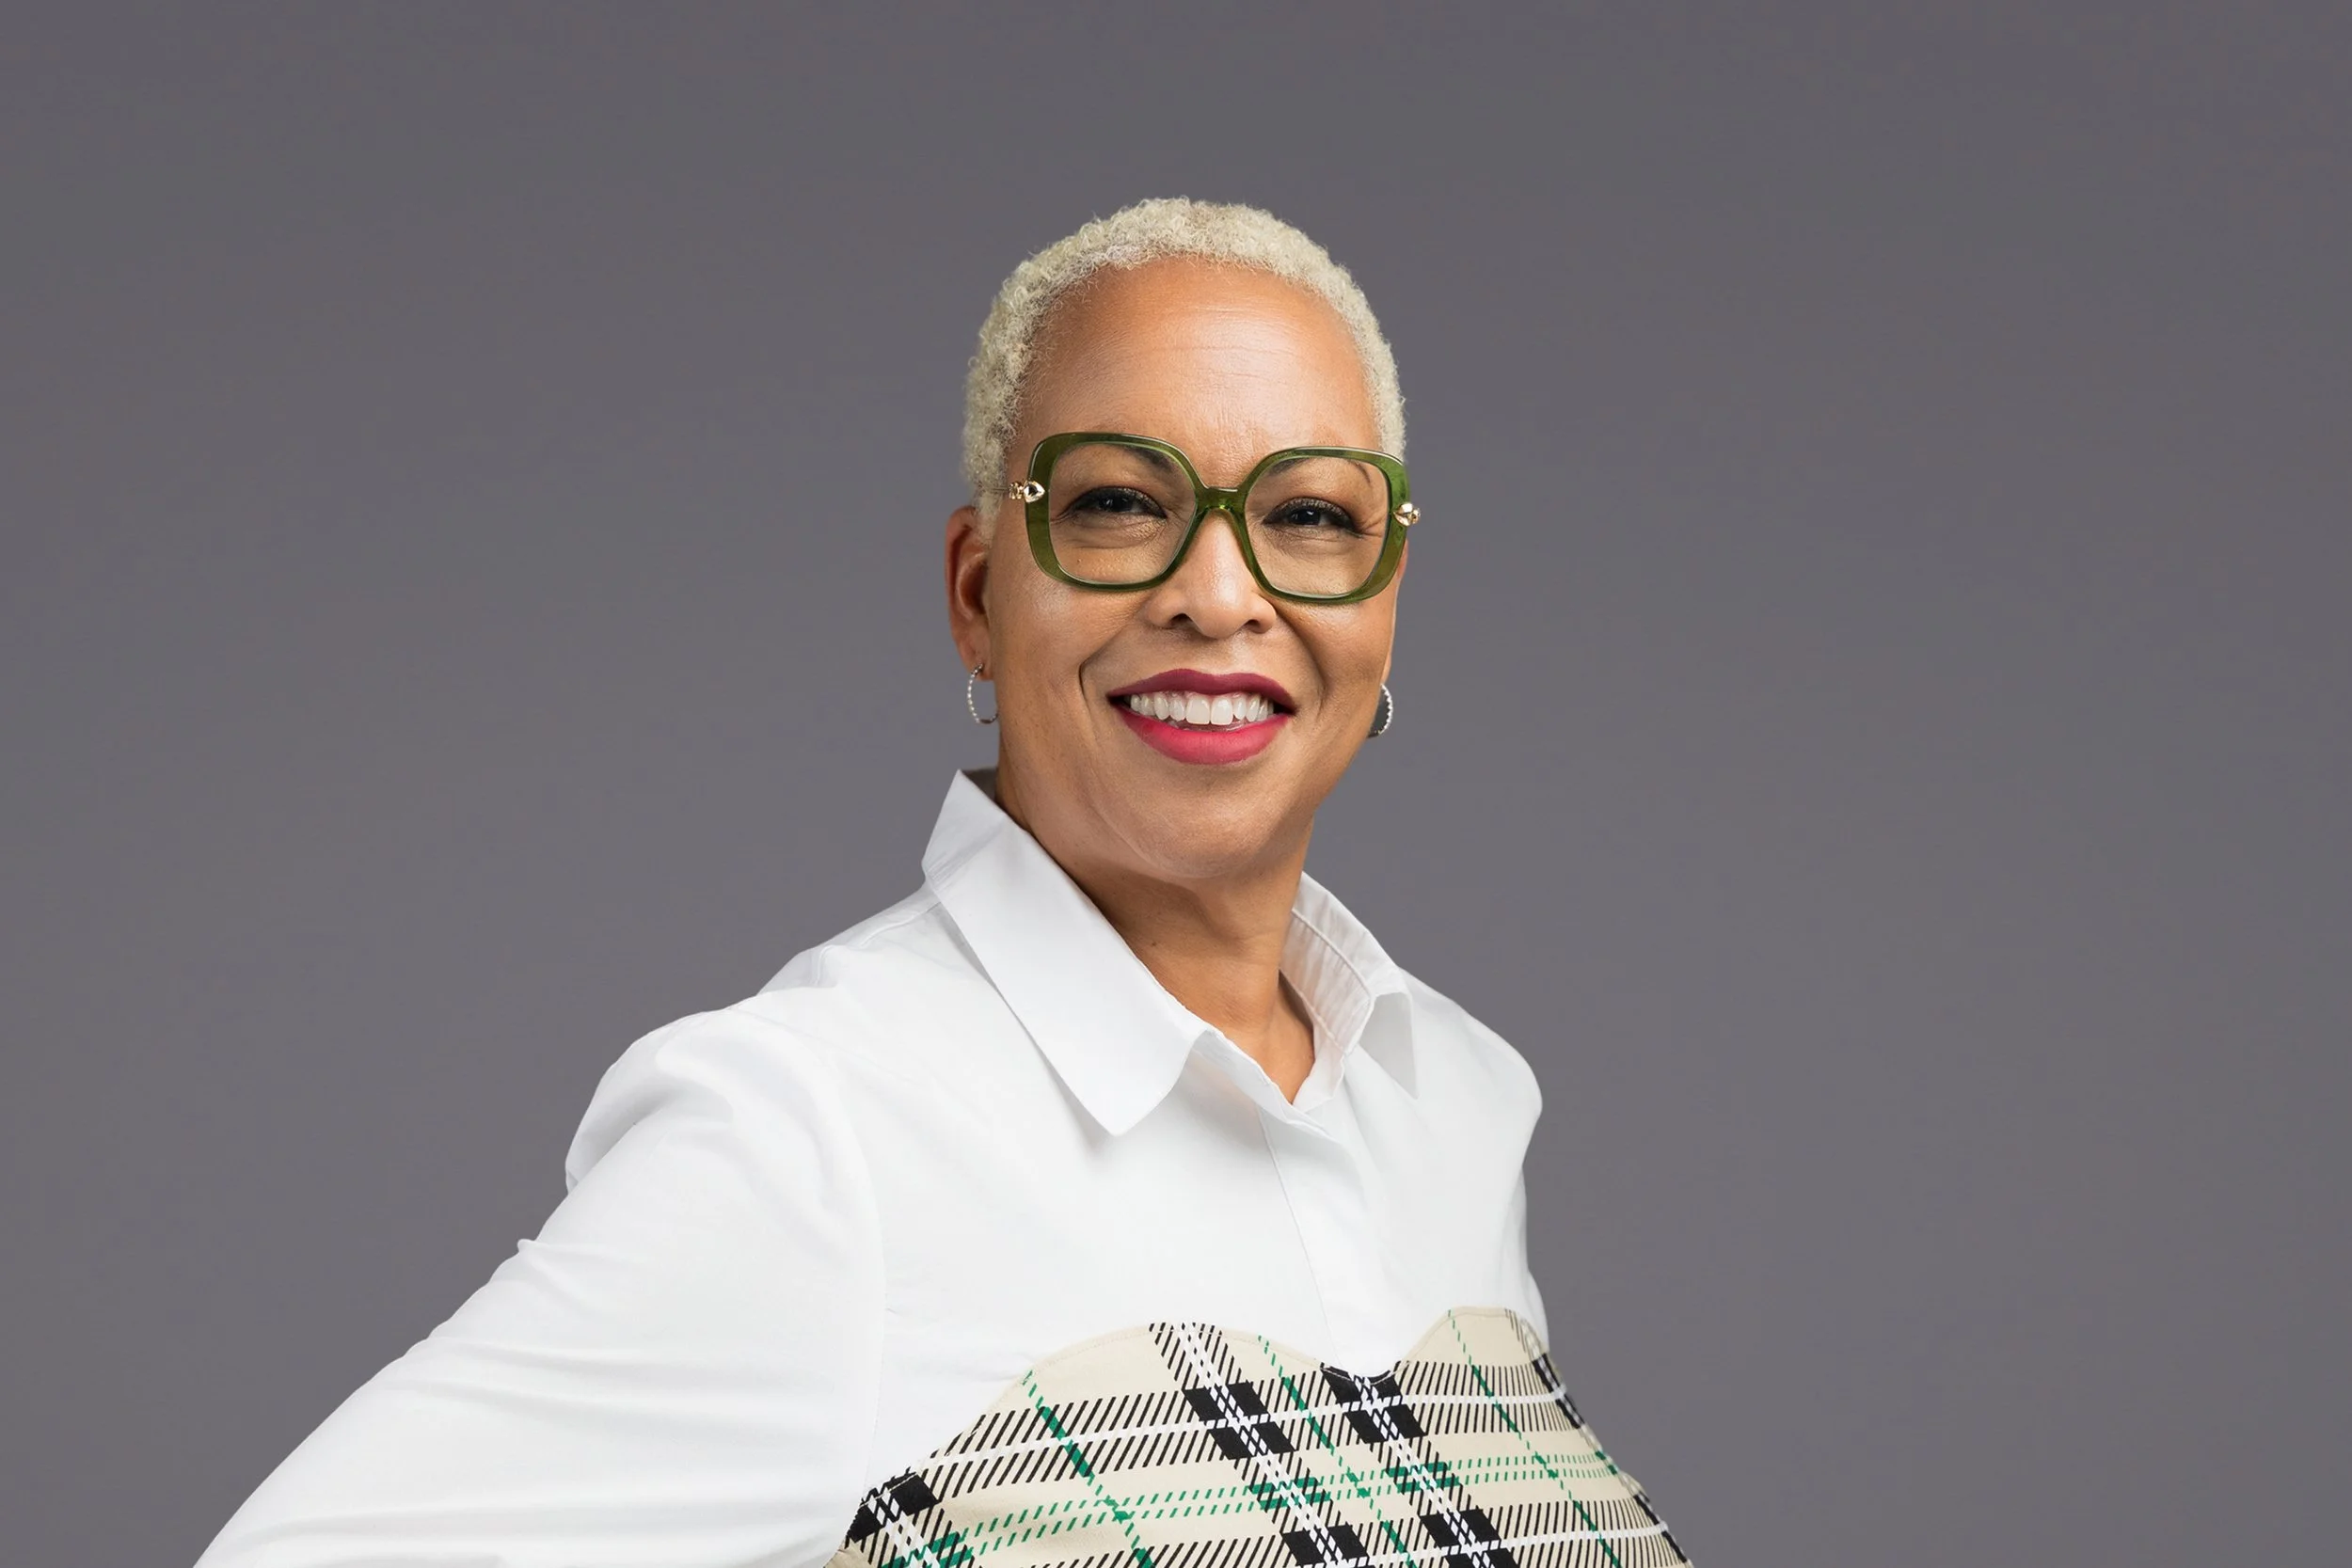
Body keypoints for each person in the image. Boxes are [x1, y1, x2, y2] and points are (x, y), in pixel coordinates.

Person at [199, 198, 1689, 1568]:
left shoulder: (1455, 1102)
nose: (1219, 593)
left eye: (1308, 516)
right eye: (1120, 502)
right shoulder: (817, 1134)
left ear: (1383, 599)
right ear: (980, 593)